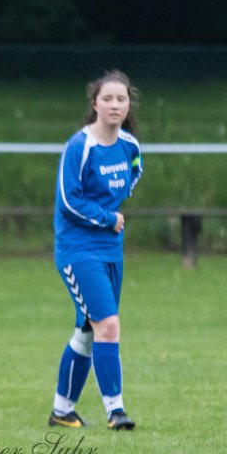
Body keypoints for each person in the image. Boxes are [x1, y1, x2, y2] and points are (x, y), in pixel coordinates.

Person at [48, 70, 143, 431]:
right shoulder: (79, 146)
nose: (115, 105)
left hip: (111, 250)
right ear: (95, 104)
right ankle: (115, 411)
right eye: (107, 99)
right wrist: (107, 216)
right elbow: (68, 201)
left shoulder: (130, 146)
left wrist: (113, 206)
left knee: (86, 332)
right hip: (78, 249)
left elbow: (135, 172)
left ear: (128, 103)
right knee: (108, 325)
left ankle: (61, 411)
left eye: (121, 99)